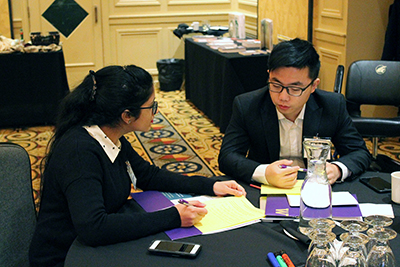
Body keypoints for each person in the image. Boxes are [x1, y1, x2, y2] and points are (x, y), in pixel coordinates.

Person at [29, 65, 246, 266]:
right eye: (152, 106)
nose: (156, 112)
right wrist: (174, 216)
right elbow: (93, 228)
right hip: (67, 257)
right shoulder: (79, 152)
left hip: (102, 245)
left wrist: (210, 186)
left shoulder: (111, 136)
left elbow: (147, 175)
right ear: (127, 116)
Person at [218, 38, 371, 189]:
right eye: (276, 85)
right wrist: (265, 173)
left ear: (313, 86)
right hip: (267, 187)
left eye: (295, 89)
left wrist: (337, 169)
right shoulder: (247, 105)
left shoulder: (332, 105)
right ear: (268, 75)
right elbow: (227, 157)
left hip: (316, 187)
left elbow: (359, 152)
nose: (283, 97)